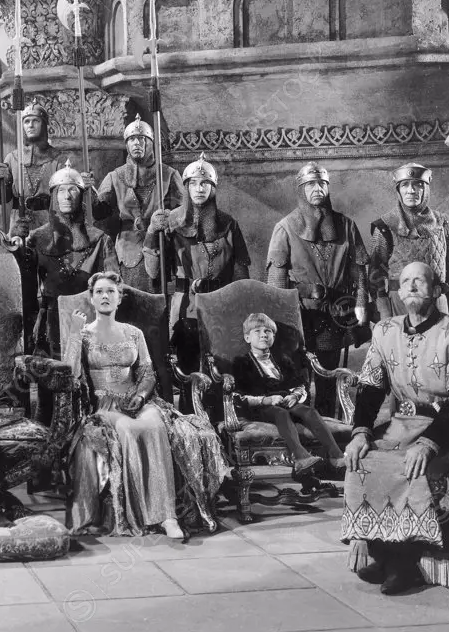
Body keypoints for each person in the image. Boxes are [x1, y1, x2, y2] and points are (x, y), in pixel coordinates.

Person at [343, 262, 449, 600]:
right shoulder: (385, 330)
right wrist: (360, 432)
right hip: (398, 424)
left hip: (448, 427)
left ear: (435, 290)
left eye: (421, 280)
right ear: (399, 292)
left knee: (412, 467)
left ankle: (404, 564)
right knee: (360, 461)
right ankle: (382, 553)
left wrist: (430, 443)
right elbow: (371, 388)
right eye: (406, 281)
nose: (413, 285)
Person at [67, 271, 230, 537]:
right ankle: (142, 513)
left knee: (155, 426)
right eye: (99, 292)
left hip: (137, 401)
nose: (105, 296)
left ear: (120, 298)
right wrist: (74, 332)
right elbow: (70, 373)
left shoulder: (134, 333)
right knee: (129, 432)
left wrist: (141, 396)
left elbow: (147, 373)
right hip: (104, 405)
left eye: (111, 291)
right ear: (91, 298)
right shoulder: (83, 334)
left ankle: (167, 517)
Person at [144, 154, 250, 410]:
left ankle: (219, 421)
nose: (199, 189)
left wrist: (240, 308)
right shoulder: (171, 222)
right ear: (186, 187)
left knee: (221, 368)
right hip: (186, 306)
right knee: (189, 368)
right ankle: (191, 421)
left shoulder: (228, 224)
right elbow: (154, 271)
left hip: (221, 304)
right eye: (193, 183)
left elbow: (240, 271)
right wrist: (151, 233)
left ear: (213, 188)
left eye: (205, 184)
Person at [266, 162, 369, 416]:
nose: (318, 188)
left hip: (336, 315)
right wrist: (282, 320)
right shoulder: (286, 228)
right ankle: (302, 432)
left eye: (322, 183)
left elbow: (359, 270)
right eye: (311, 184)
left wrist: (361, 303)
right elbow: (276, 284)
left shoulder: (346, 226)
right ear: (301, 189)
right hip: (300, 317)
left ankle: (328, 429)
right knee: (298, 381)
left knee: (328, 379)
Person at [232, 313, 346, 476]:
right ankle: (301, 457)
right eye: (257, 331)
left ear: (273, 336)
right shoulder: (242, 363)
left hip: (285, 401)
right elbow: (239, 396)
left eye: (268, 331)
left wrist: (295, 396)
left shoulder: (282, 360)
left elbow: (299, 385)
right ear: (247, 337)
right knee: (280, 413)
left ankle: (337, 456)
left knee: (309, 411)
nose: (264, 334)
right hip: (261, 407)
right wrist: (266, 400)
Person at [25, 161, 117, 359]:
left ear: (81, 196)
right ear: (53, 196)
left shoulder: (100, 240)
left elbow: (113, 286)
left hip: (89, 318)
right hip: (51, 320)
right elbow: (27, 288)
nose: (67, 196)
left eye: (73, 190)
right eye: (61, 190)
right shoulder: (35, 239)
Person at [96, 115, 182, 293]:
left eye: (141, 139)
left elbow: (184, 211)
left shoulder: (169, 174)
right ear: (126, 145)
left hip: (159, 244)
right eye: (132, 139)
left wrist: (167, 220)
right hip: (126, 246)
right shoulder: (115, 176)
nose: (136, 143)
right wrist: (87, 192)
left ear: (150, 142)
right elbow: (99, 211)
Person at [370, 163, 449, 320]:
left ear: (425, 189)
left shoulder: (442, 222)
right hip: (401, 303)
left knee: (438, 343)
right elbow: (375, 273)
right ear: (398, 190)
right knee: (405, 343)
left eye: (417, 184)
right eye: (405, 184)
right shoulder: (384, 226)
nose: (411, 190)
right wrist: (383, 309)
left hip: (437, 300)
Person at [0, 103, 69, 237]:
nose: (30, 125)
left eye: (35, 121)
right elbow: (3, 199)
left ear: (44, 125)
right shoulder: (12, 158)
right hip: (19, 223)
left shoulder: (59, 160)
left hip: (50, 224)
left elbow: (66, 199)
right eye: (26, 121)